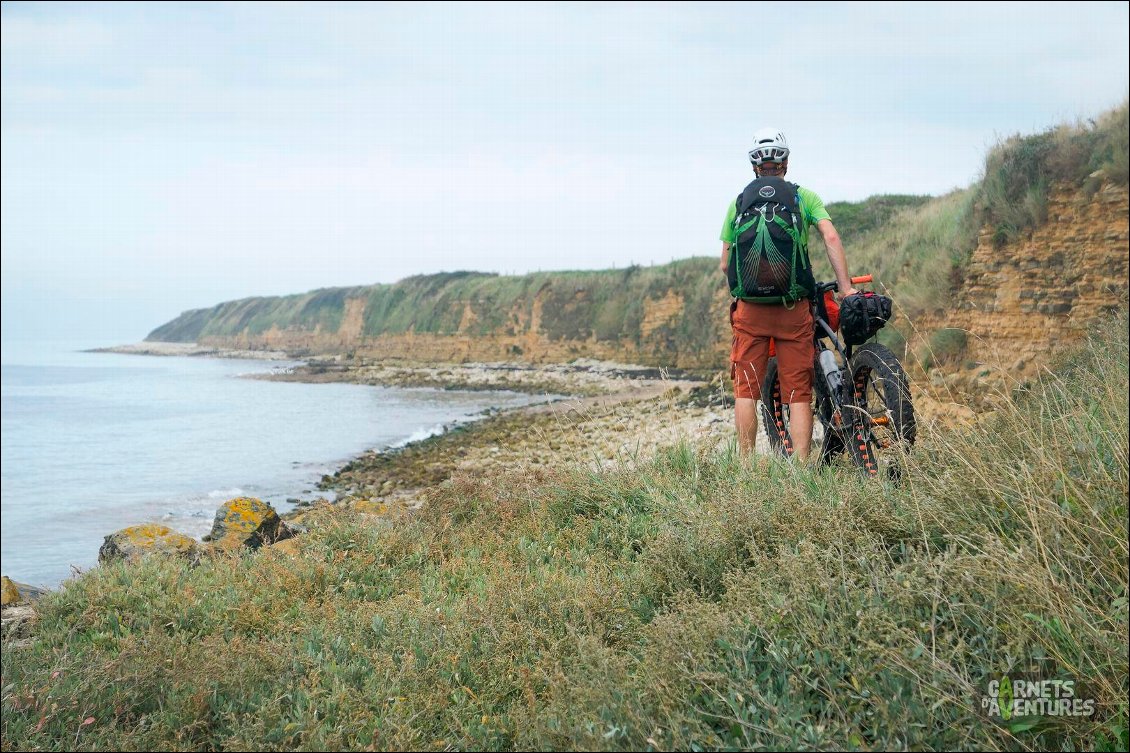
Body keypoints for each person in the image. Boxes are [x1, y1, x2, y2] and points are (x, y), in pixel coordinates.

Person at [720, 128, 857, 460]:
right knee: (797, 392)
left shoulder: (739, 202)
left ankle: (746, 466)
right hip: (793, 308)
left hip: (750, 311)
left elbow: (725, 264)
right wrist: (846, 288)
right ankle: (800, 469)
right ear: (785, 163)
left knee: (746, 390)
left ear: (755, 166)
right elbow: (832, 238)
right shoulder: (802, 198)